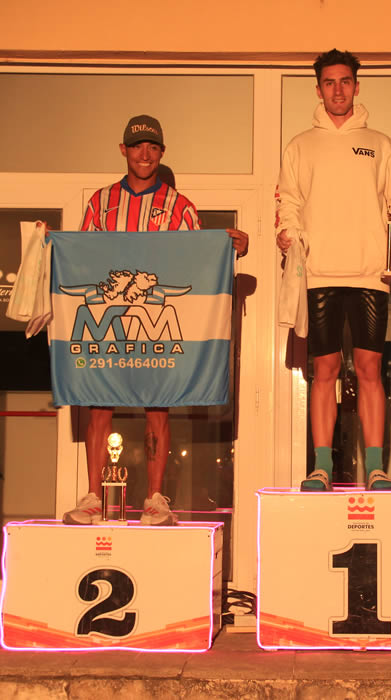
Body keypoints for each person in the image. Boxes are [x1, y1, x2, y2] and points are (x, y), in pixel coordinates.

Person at [62, 114, 250, 525]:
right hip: (110, 319)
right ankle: (93, 497)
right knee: (99, 403)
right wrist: (51, 247)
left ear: (162, 152)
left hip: (156, 319)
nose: (144, 154)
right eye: (137, 146)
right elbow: (81, 256)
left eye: (152, 147)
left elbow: (197, 261)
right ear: (123, 150)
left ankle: (155, 499)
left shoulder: (180, 206)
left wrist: (233, 247)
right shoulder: (101, 202)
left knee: (158, 406)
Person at [276, 48, 391, 492]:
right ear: (318, 89)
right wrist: (286, 232)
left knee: (369, 368)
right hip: (319, 272)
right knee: (324, 371)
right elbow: (289, 201)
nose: (337, 90)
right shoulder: (300, 145)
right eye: (329, 82)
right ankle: (321, 466)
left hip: (369, 273)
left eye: (345, 81)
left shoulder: (381, 143)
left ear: (357, 87)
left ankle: (375, 468)